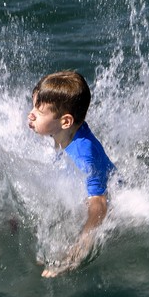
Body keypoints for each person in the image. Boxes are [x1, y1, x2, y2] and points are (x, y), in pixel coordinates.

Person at [28, 70, 116, 278]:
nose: (31, 114)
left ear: (66, 121)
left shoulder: (84, 156)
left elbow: (100, 204)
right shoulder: (63, 131)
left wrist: (78, 251)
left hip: (112, 198)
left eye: (39, 112)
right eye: (33, 106)